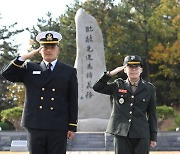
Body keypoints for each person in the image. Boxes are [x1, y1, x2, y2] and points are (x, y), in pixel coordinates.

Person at [1, 31, 78, 154]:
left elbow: (72, 100)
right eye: (45, 47)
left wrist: (72, 125)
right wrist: (25, 57)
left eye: (52, 47)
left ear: (58, 49)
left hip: (58, 124)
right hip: (35, 124)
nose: (48, 50)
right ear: (40, 50)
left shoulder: (68, 71)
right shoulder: (30, 68)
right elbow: (7, 74)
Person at [93, 55, 157, 154]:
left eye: (137, 67)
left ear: (141, 70)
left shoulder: (149, 88)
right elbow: (97, 87)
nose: (133, 70)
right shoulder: (118, 85)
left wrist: (153, 136)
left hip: (141, 133)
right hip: (121, 133)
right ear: (124, 70)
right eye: (130, 67)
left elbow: (152, 114)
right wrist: (110, 73)